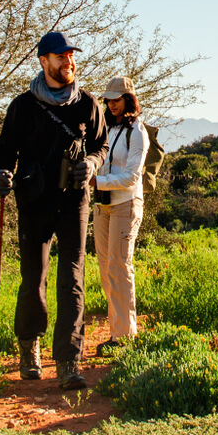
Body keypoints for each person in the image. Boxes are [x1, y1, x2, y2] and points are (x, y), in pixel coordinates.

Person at [0, 31, 105, 390]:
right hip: (33, 199)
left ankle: (69, 362)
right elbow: (5, 149)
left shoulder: (87, 103)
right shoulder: (22, 106)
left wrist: (91, 163)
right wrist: (1, 174)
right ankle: (30, 348)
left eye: (70, 55)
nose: (68, 61)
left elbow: (101, 145)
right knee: (34, 278)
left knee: (72, 279)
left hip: (74, 200)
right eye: (60, 57)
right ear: (43, 61)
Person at [91, 76, 149, 355]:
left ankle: (125, 337)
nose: (112, 104)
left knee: (120, 266)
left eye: (117, 99)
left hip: (126, 204)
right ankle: (117, 332)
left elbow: (131, 177)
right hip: (102, 205)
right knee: (106, 268)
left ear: (129, 99)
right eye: (109, 100)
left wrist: (97, 182)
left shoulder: (137, 132)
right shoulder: (106, 129)